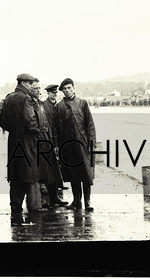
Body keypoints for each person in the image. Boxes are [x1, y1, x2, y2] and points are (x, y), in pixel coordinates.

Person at [0, 73, 46, 224]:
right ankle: (35, 209)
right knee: (31, 174)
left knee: (16, 175)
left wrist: (15, 129)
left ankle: (15, 207)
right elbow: (30, 120)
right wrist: (38, 131)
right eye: (31, 83)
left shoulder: (9, 97)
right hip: (28, 141)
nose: (32, 86)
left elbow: (3, 123)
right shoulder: (26, 99)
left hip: (14, 141)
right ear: (24, 83)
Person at [53, 77, 97, 211]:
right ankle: (77, 200)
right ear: (62, 91)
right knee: (73, 174)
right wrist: (56, 145)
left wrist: (92, 142)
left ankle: (87, 201)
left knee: (86, 173)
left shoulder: (83, 103)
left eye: (69, 88)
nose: (67, 91)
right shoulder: (59, 107)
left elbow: (90, 124)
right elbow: (55, 129)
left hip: (83, 144)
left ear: (74, 88)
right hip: (68, 146)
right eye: (64, 89)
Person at [41, 84, 68, 207]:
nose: (54, 94)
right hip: (47, 140)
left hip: (56, 140)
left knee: (56, 169)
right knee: (49, 170)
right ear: (48, 93)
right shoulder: (44, 105)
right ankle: (51, 197)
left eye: (55, 93)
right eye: (52, 93)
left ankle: (55, 196)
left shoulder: (57, 105)